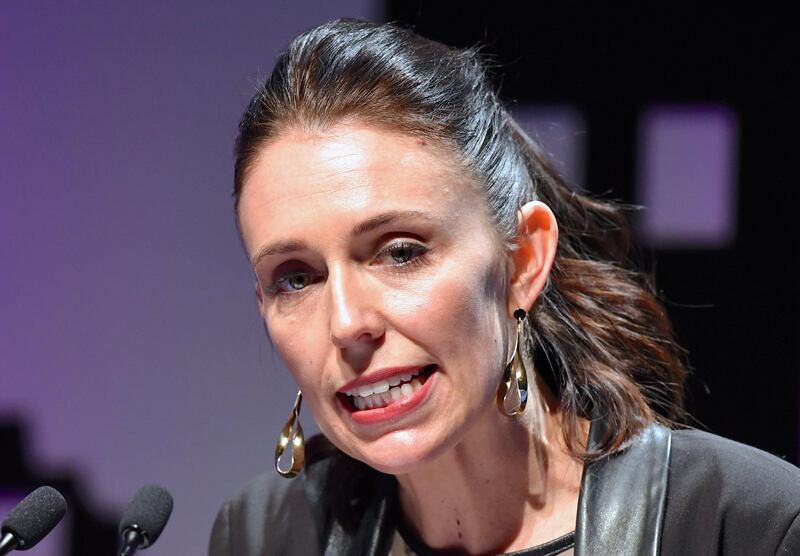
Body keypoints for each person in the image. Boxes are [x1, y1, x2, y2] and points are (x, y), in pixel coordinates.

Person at [209, 18, 800, 556]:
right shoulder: (262, 537)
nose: (345, 323)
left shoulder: (748, 527)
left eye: (400, 252)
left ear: (522, 260)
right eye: (296, 278)